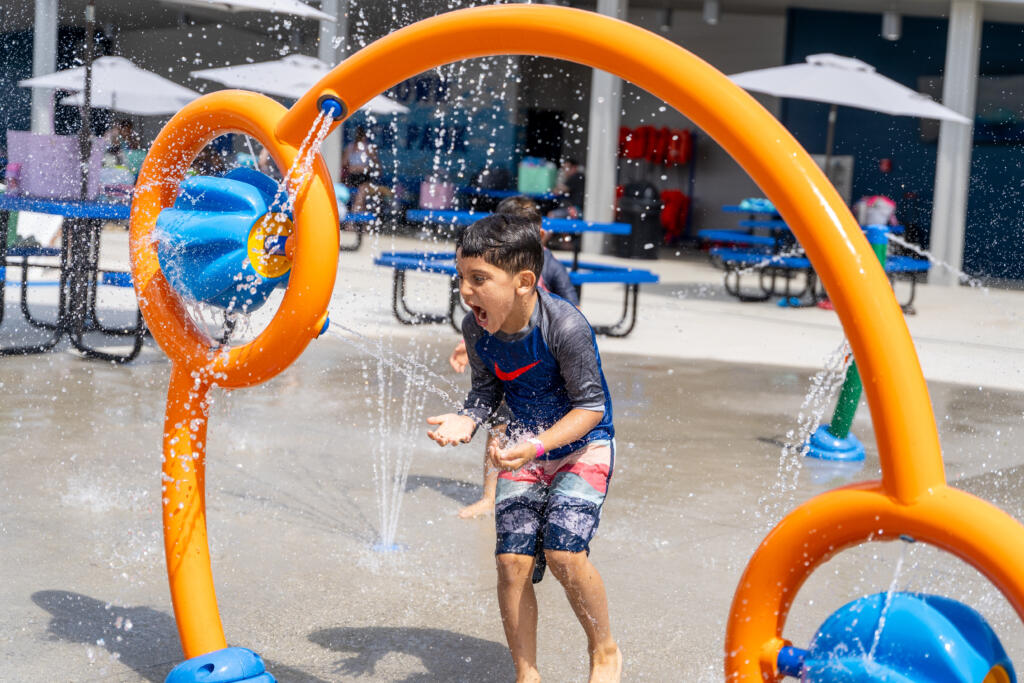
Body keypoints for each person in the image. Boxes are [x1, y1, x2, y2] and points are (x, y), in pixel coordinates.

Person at [427, 214, 621, 683]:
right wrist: (469, 417)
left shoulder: (565, 327)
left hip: (583, 449)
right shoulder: (476, 329)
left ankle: (604, 650)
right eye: (461, 279)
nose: (466, 292)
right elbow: (486, 391)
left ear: (524, 282)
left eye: (479, 280)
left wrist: (535, 444)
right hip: (525, 447)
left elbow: (591, 407)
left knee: (564, 555)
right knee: (512, 562)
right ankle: (526, 673)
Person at [450, 196, 579, 519]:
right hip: (505, 358)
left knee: (545, 429)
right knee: (499, 424)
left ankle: (552, 489)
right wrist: (470, 343)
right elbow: (484, 318)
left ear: (538, 234)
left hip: (542, 361)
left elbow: (571, 311)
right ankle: (490, 494)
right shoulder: (493, 269)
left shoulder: (550, 267)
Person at [341, 126, 382, 212]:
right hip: (353, 176)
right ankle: (356, 220)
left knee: (360, 197)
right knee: (360, 199)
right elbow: (344, 163)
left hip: (363, 177)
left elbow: (376, 163)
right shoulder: (351, 147)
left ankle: (353, 219)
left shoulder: (367, 148)